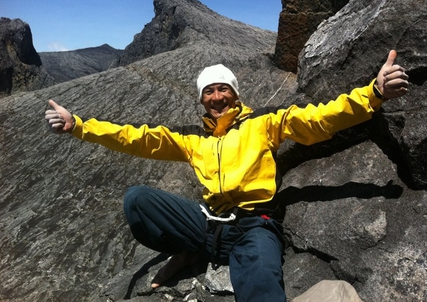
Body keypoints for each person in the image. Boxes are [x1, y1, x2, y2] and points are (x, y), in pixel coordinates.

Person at [45, 50, 409, 301]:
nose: (216, 97)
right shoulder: (192, 137)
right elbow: (136, 139)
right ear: (201, 99)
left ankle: (204, 256)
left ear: (235, 93)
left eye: (223, 89)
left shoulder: (262, 122)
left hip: (255, 226)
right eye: (209, 91)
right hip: (207, 224)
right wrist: (78, 125)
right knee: (137, 200)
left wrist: (373, 94)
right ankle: (188, 251)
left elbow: (318, 119)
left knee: (263, 287)